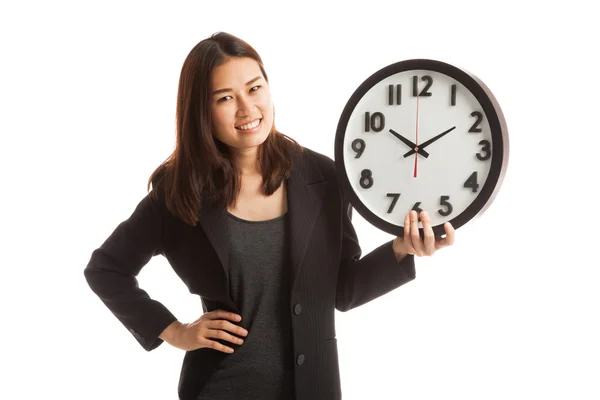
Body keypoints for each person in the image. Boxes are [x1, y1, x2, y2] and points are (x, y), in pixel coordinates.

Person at [83, 31, 455, 400]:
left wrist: (402, 249)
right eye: (226, 98)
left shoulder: (323, 177)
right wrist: (173, 330)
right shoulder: (179, 191)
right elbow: (106, 269)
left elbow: (342, 290)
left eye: (255, 88)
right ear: (200, 111)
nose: (247, 109)